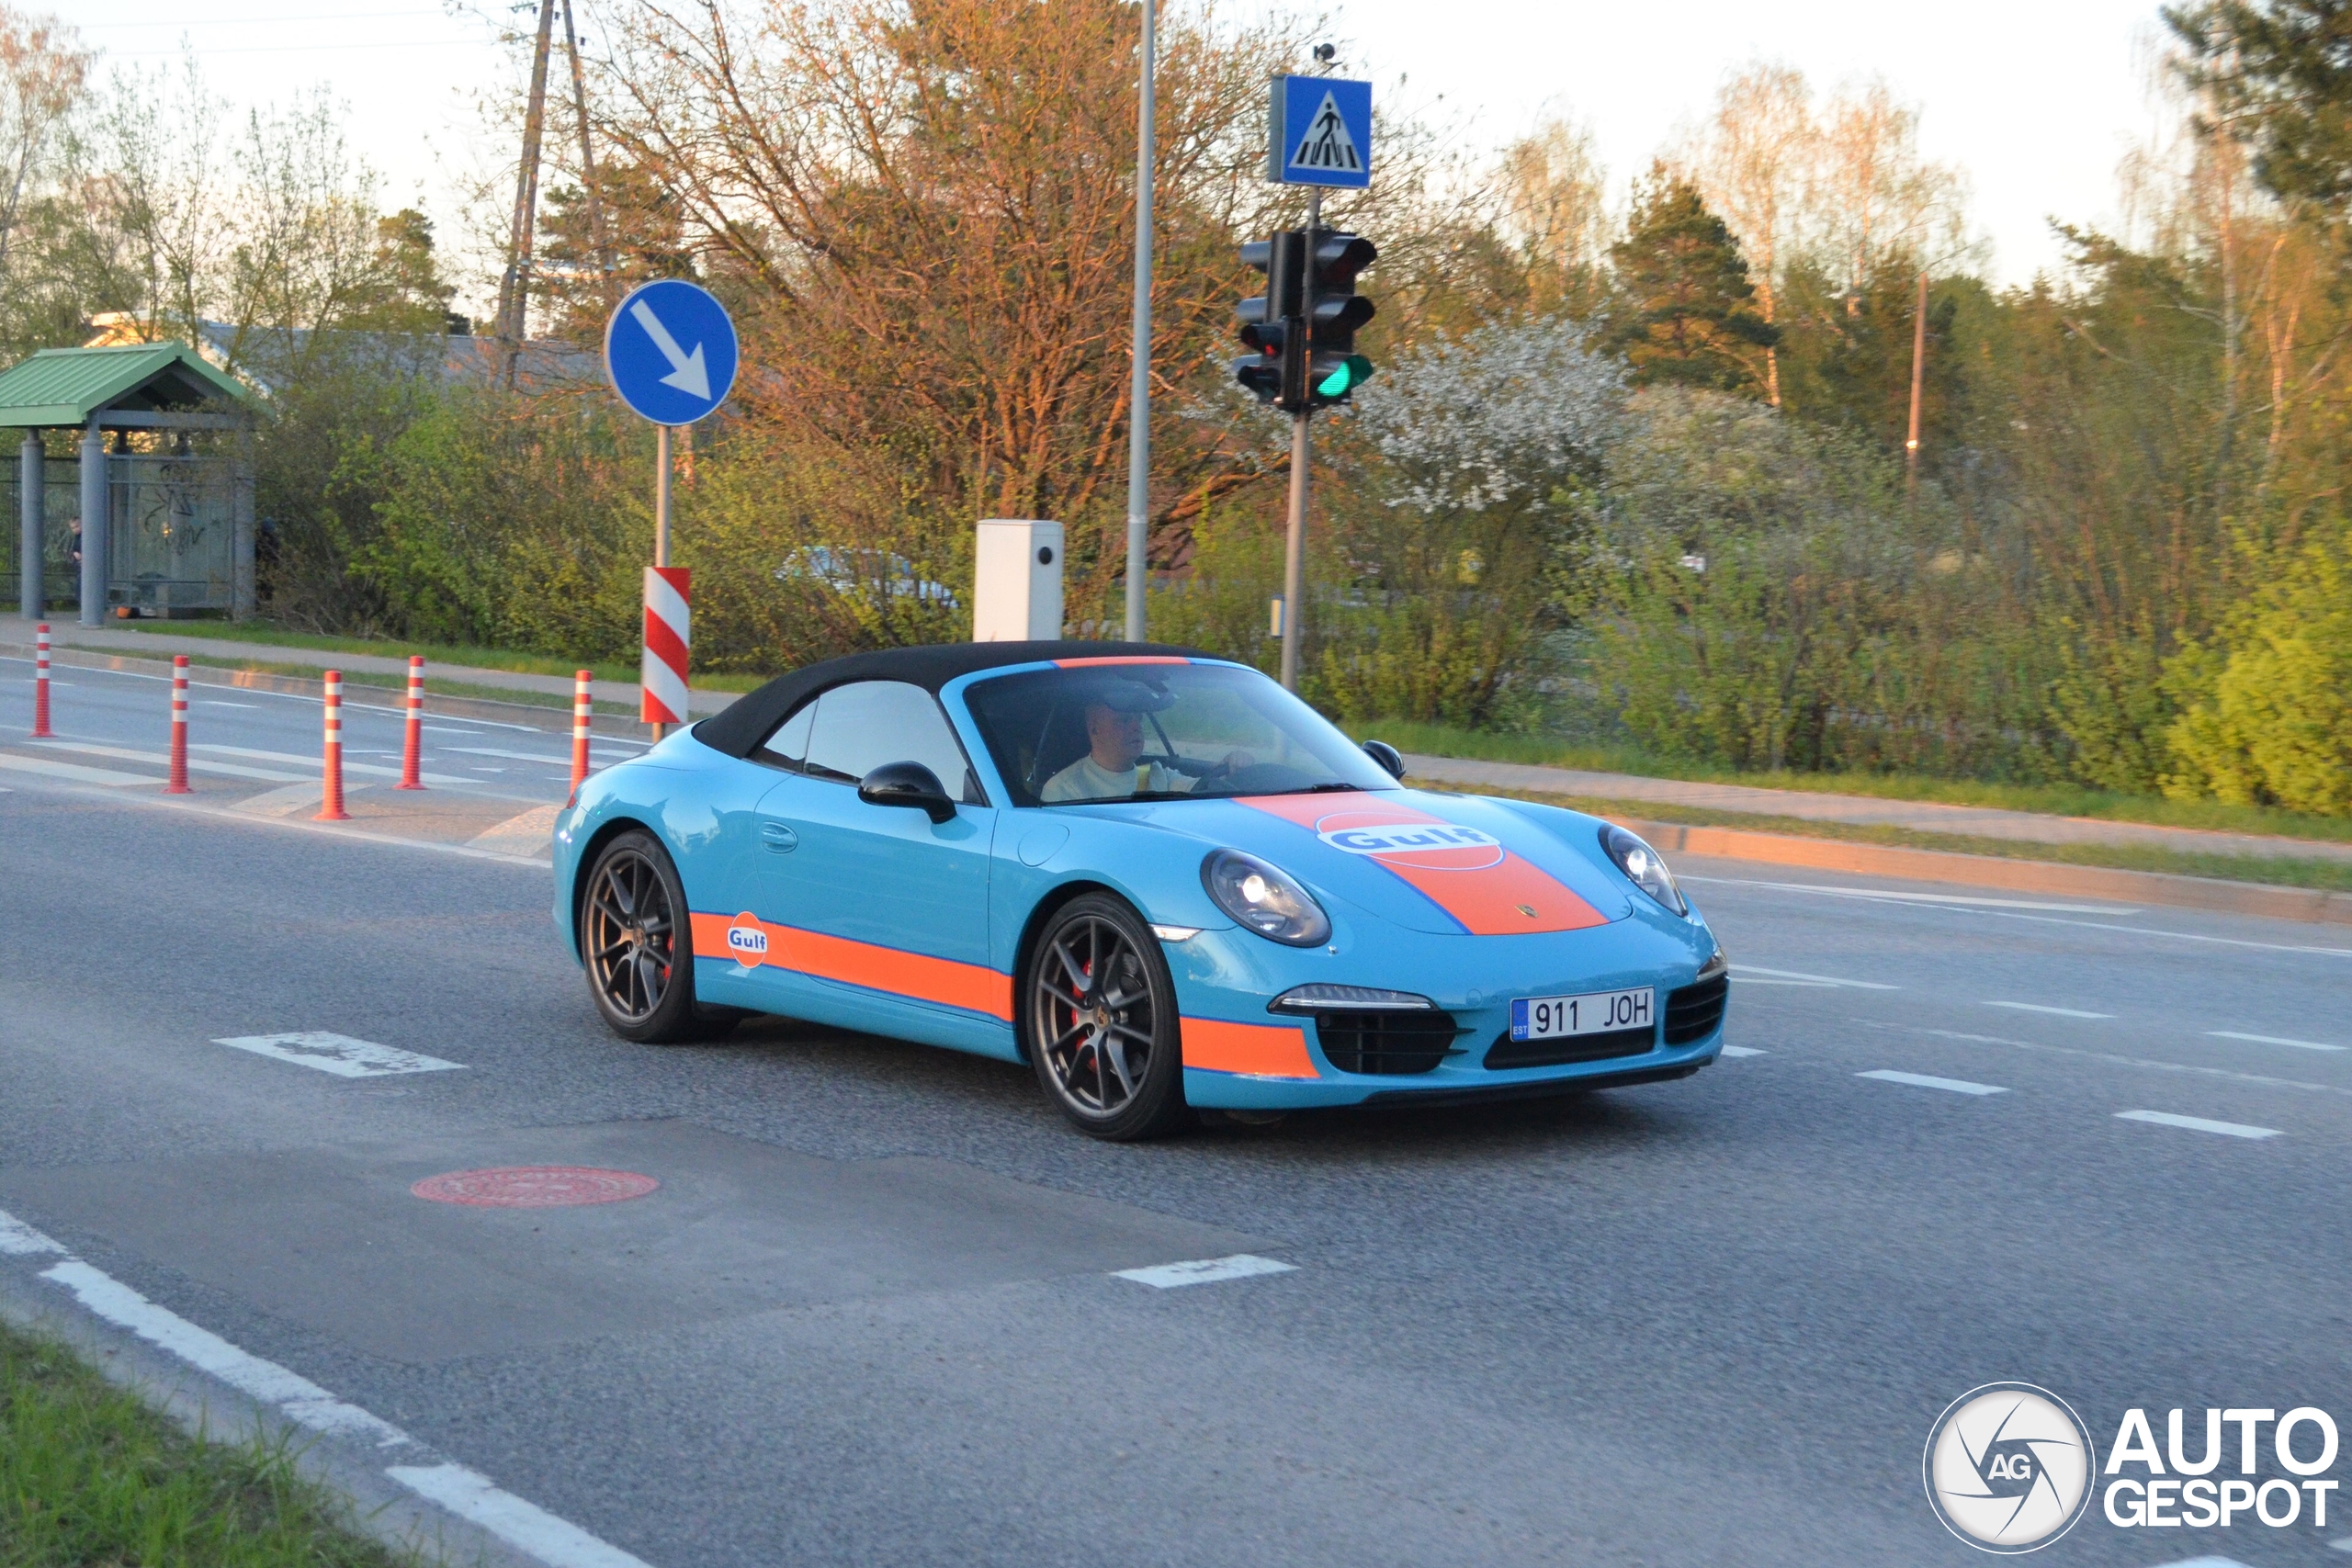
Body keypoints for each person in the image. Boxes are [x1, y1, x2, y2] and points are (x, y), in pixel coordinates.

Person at [1039, 681, 1247, 802]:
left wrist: (1233, 763)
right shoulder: (1065, 790)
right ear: (1094, 729)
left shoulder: (1158, 775)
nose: (1136, 727)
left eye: (1138, 719)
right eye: (1124, 720)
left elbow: (1206, 788)